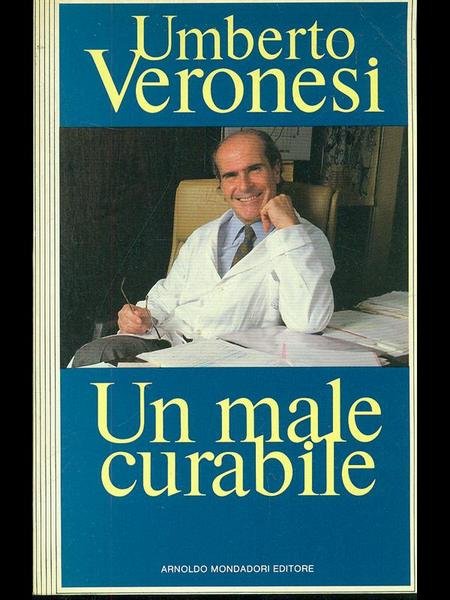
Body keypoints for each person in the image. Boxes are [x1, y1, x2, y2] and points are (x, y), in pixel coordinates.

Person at [72, 129, 335, 366]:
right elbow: (166, 296)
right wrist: (141, 315)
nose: (244, 185)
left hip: (231, 361)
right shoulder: (202, 235)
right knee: (93, 357)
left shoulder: (307, 240)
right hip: (168, 343)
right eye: (230, 175)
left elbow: (309, 320)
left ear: (276, 170)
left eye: (254, 169)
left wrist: (288, 229)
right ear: (221, 184)